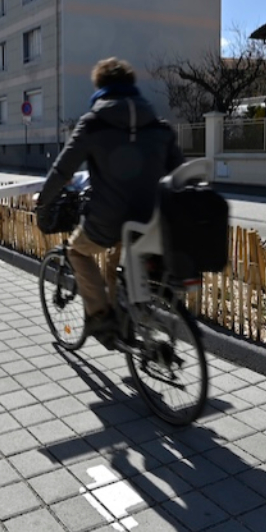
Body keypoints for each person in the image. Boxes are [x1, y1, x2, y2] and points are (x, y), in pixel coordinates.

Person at [36, 57, 183, 345]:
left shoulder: (93, 123)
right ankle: (125, 326)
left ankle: (102, 318)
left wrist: (43, 199)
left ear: (100, 87)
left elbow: (63, 170)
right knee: (117, 263)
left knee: (77, 252)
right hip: (150, 218)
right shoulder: (158, 125)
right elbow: (178, 172)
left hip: (108, 218)